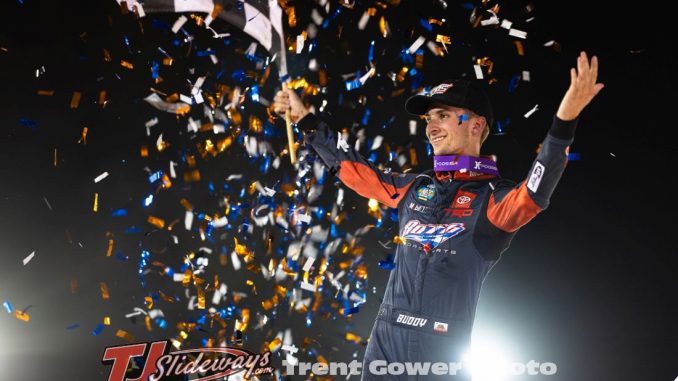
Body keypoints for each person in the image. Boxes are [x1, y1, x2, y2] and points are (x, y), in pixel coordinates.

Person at [273, 51, 603, 380]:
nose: (430, 127)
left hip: (442, 353)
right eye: (428, 118)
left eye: (442, 115)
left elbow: (534, 191)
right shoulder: (414, 187)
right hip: (386, 343)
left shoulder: (492, 200)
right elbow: (356, 171)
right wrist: (306, 120)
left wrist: (564, 121)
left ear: (476, 125)